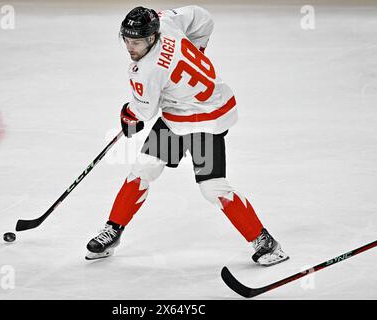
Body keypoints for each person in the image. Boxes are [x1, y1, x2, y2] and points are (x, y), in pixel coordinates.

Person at [85, 6, 289, 266]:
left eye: (136, 41)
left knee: (212, 188)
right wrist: (198, 48)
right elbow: (202, 17)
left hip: (205, 120)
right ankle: (113, 230)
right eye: (126, 39)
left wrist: (128, 114)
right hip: (185, 113)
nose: (130, 47)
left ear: (151, 38)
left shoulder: (145, 70)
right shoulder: (165, 22)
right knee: (142, 171)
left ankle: (265, 241)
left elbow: (143, 111)